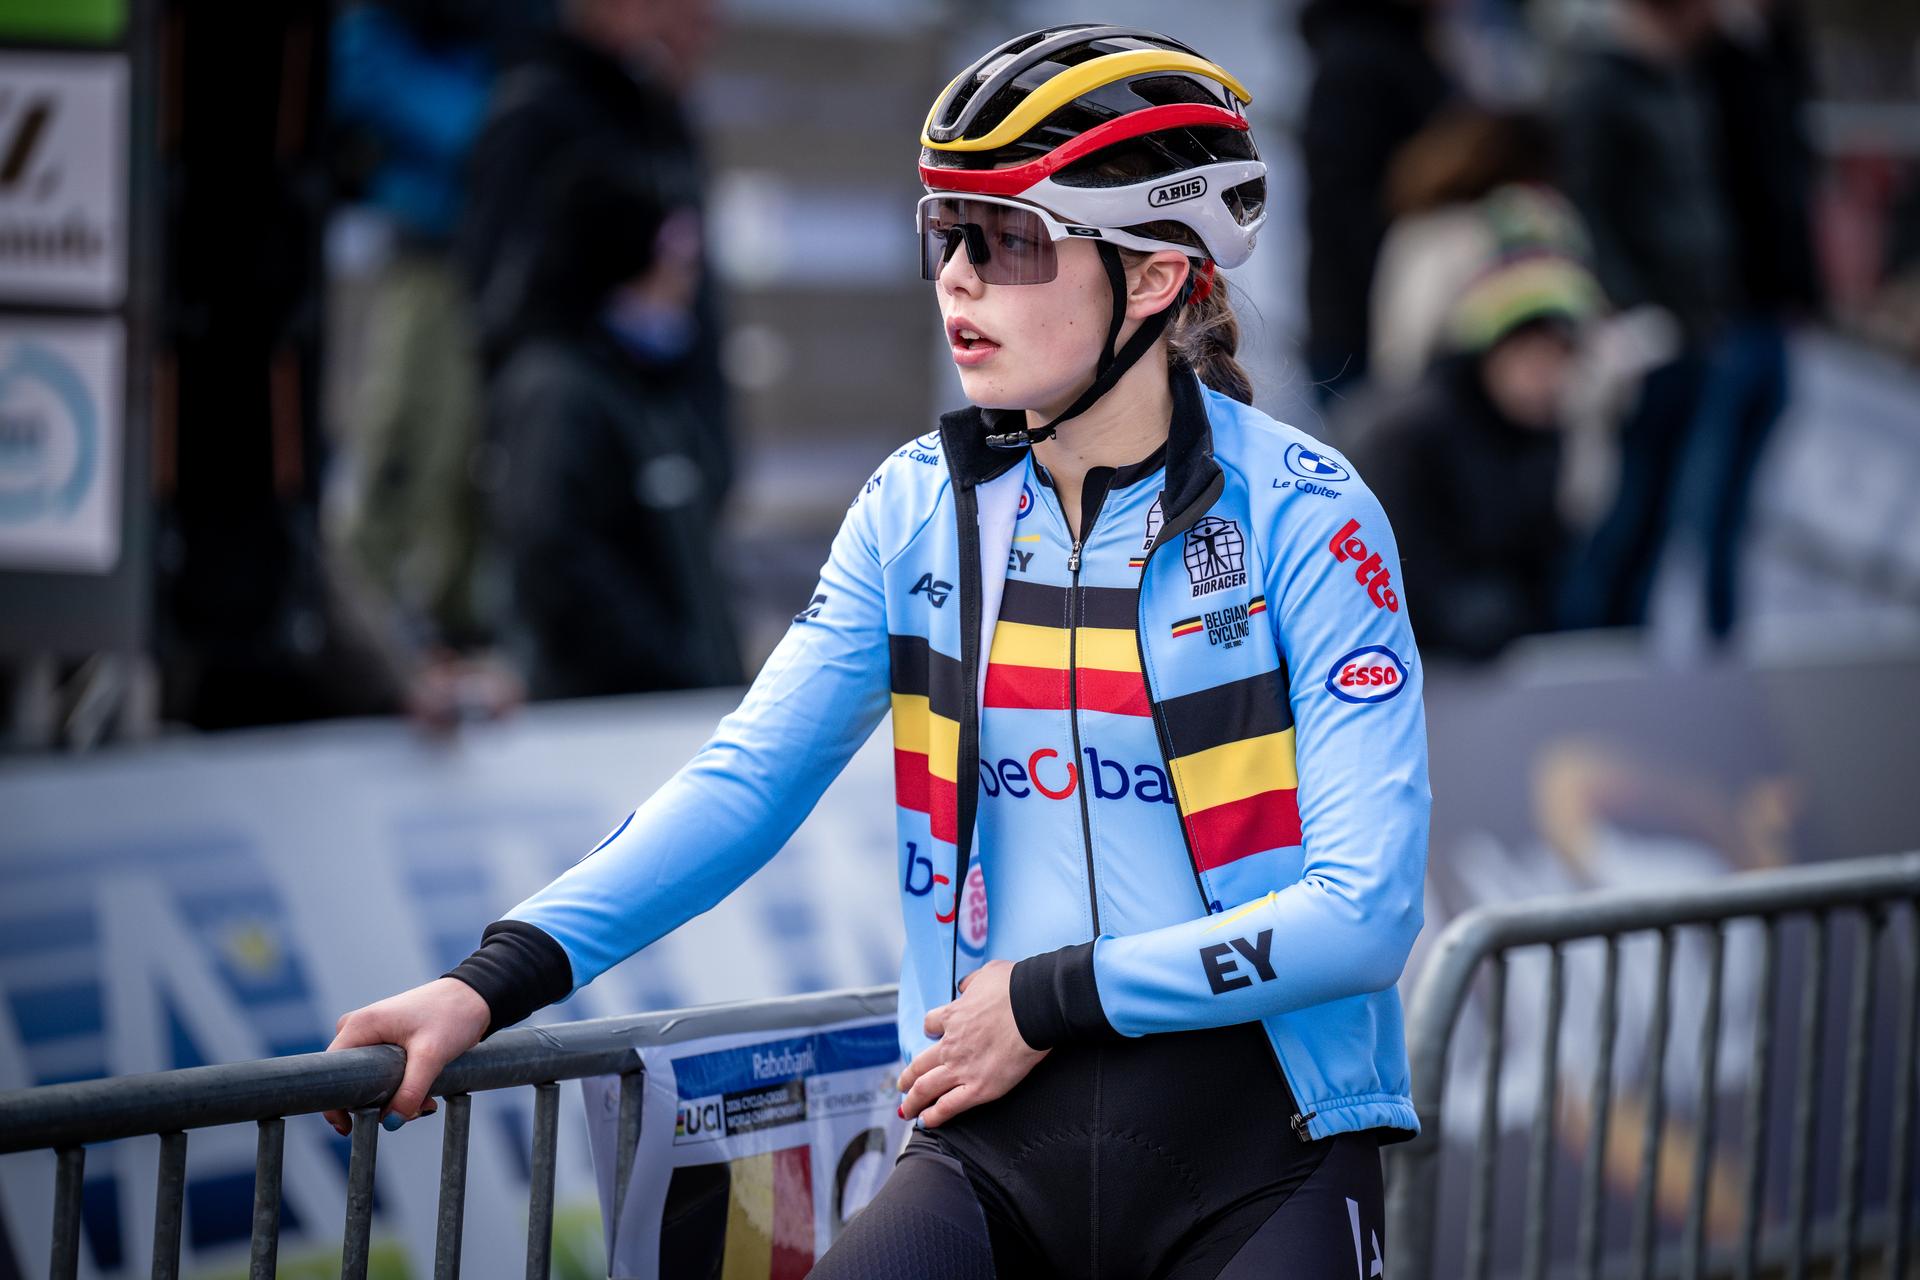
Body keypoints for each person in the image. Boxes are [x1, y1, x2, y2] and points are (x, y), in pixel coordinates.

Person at [326, 25, 1430, 1277]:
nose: (958, 278)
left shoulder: (1307, 513)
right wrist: (489, 978)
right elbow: (745, 780)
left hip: (1260, 1153)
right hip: (991, 1144)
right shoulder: (918, 510)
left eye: (1010, 239)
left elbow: (1367, 913)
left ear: (1159, 277)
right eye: (944, 233)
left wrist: (1051, 995)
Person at [488, 160, 744, 696]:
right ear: (623, 262)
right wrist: (674, 669)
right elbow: (557, 568)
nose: (685, 284)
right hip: (609, 735)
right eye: (673, 262)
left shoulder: (650, 386)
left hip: (674, 718)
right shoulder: (560, 393)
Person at [1350, 185, 1606, 661]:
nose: (1547, 378)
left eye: (1560, 358)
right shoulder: (1411, 432)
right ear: (1490, 352)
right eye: (1532, 357)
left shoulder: (1542, 433)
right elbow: (1389, 572)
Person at [1298, 0, 1454, 405]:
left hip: (1393, 308)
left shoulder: (1413, 46)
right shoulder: (1356, 63)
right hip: (1364, 319)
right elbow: (1343, 205)